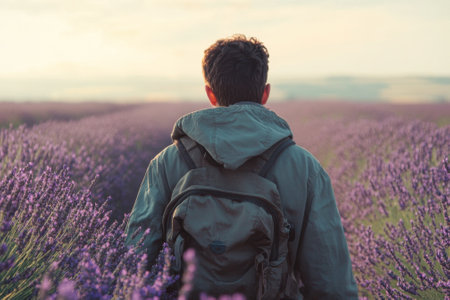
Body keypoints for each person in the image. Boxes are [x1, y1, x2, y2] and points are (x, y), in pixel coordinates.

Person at [126, 34, 358, 299]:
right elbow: (331, 282)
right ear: (265, 93)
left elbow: (135, 263)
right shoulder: (304, 168)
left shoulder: (166, 163)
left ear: (210, 93)